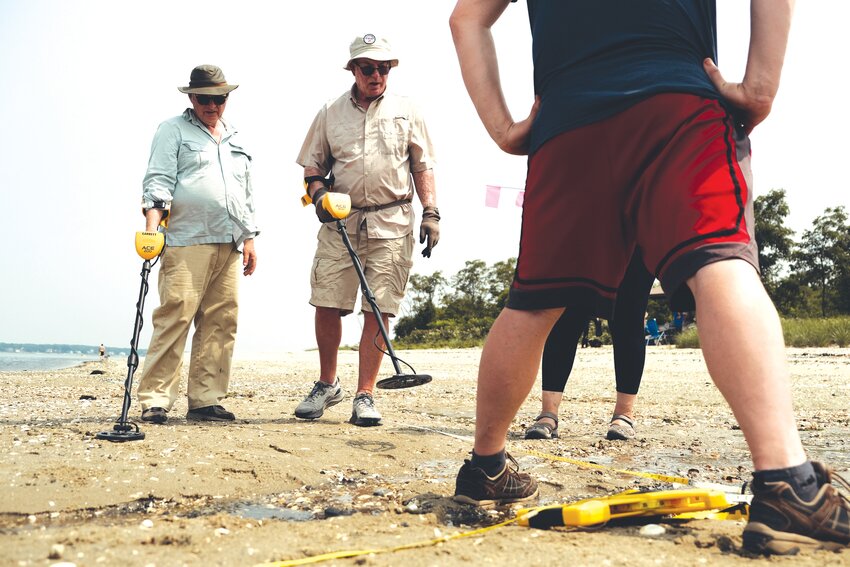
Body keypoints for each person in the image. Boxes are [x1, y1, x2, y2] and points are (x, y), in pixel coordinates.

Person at [449, 0, 849, 555]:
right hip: (676, 102)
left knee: (534, 301)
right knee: (720, 265)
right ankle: (787, 483)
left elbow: (466, 17)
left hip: (567, 122)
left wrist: (503, 127)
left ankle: (485, 467)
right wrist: (760, 85)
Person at [294, 34, 439, 427]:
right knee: (326, 301)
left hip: (392, 223)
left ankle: (365, 394)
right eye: (367, 68)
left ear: (390, 69)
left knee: (379, 307)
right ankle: (327, 383)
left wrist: (431, 212)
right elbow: (311, 168)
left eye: (382, 67)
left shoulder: (408, 111)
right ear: (353, 70)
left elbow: (422, 166)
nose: (376, 74)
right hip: (340, 222)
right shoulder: (329, 112)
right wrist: (320, 195)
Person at [136, 64, 258, 425]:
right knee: (175, 315)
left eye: (219, 99)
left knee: (222, 321)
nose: (213, 105)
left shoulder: (236, 136)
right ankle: (156, 400)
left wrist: (250, 237)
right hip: (186, 239)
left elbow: (245, 193)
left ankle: (206, 399)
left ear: (226, 99)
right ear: (192, 97)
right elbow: (157, 181)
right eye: (205, 98)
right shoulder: (172, 130)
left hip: (230, 241)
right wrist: (151, 231)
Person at [524, 255, 654, 441]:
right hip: (582, 232)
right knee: (566, 314)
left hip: (635, 234)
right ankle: (548, 413)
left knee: (629, 312)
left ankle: (624, 414)